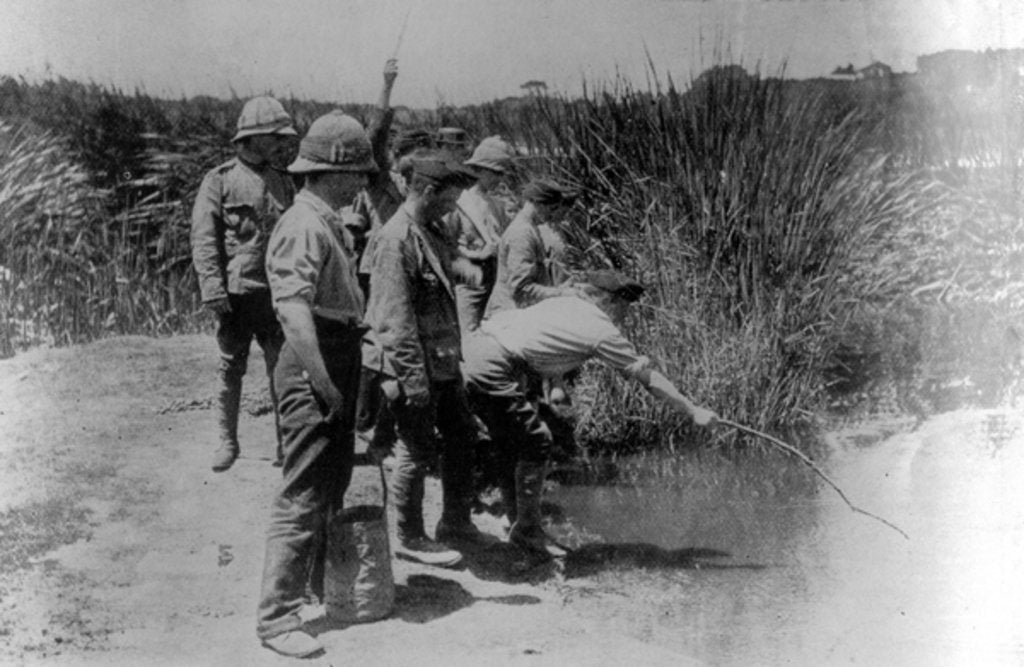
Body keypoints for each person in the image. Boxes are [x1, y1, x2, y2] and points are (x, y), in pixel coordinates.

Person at [463, 270, 718, 558]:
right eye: (624, 306)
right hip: (495, 365)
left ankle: (516, 522)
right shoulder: (600, 329)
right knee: (536, 442)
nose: (626, 314)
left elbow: (543, 344)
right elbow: (648, 379)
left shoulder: (568, 304)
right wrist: (692, 410)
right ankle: (527, 532)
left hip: (474, 350)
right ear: (608, 301)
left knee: (511, 444)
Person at [256, 111, 377, 659]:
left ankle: (313, 586)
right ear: (333, 170)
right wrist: (323, 382)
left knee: (330, 482)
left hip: (337, 352)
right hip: (315, 359)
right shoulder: (304, 223)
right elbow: (292, 311)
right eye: (357, 173)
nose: (362, 183)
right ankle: (277, 619)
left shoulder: (325, 218)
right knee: (303, 489)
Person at [362, 154, 483, 568]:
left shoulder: (428, 230)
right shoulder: (396, 239)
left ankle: (455, 520)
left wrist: (466, 268)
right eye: (448, 201)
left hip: (443, 361)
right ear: (428, 192)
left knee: (463, 435)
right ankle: (409, 535)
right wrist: (414, 381)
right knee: (416, 447)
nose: (452, 210)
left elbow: (444, 274)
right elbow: (394, 321)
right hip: (411, 364)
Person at [190, 96, 298, 472]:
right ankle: (227, 441)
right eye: (273, 136)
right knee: (230, 368)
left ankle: (286, 446)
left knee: (282, 369)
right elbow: (204, 239)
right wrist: (213, 289)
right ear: (250, 139)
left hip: (277, 293)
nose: (280, 143)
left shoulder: (285, 181)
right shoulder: (219, 181)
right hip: (236, 295)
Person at [449, 135, 517, 335]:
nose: (499, 179)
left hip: (495, 279)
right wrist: (477, 255)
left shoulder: (498, 205)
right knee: (468, 331)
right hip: (469, 281)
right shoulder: (460, 203)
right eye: (494, 172)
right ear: (478, 170)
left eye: (502, 173)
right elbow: (446, 246)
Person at [484, 178, 579, 319]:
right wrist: (561, 293)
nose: (552, 215)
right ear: (538, 204)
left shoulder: (530, 228)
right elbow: (521, 290)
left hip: (516, 312)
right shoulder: (522, 233)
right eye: (551, 208)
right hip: (508, 315)